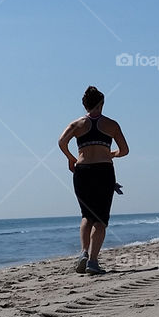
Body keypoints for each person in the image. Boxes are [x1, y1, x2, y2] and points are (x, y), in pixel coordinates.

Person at [58, 86, 129, 275]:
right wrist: (110, 153)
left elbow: (61, 142)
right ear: (102, 104)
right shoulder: (112, 125)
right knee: (100, 219)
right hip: (104, 171)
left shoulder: (76, 125)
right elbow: (125, 150)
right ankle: (93, 262)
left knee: (86, 215)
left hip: (82, 172)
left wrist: (71, 158)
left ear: (85, 105)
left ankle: (83, 252)